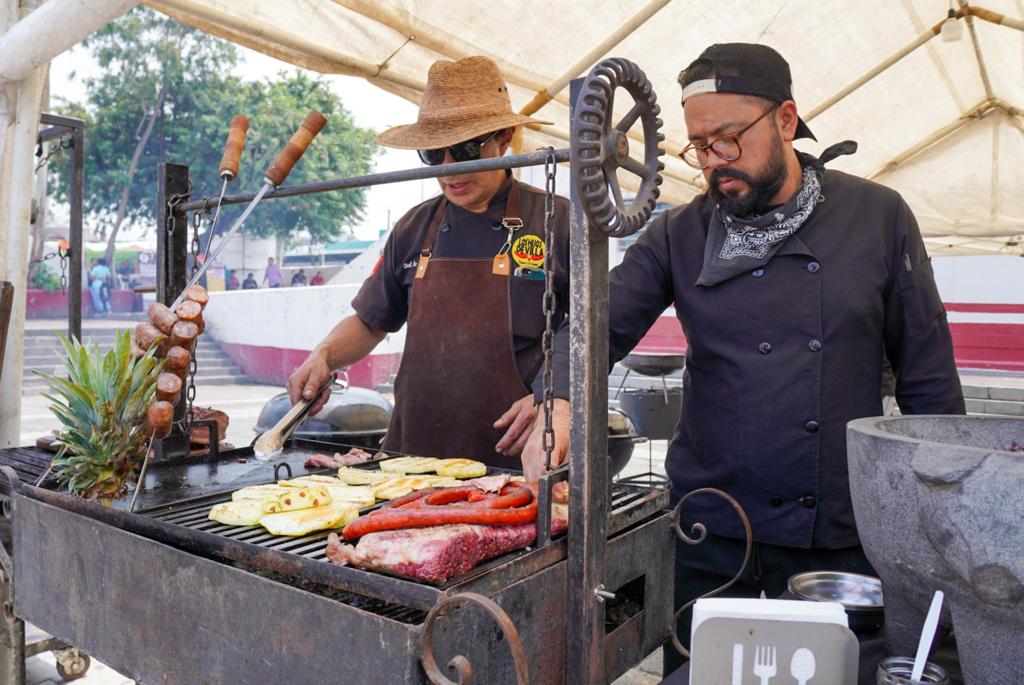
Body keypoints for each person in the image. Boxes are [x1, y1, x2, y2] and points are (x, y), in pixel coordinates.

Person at [520, 43, 965, 674]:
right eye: (700, 146)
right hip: (710, 530)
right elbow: (602, 321)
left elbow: (928, 379)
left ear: (785, 120)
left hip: (838, 535)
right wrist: (560, 396)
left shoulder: (877, 217)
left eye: (729, 138)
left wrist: (940, 513)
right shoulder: (680, 232)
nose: (714, 161)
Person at [287, 56, 569, 469]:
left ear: (504, 138)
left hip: (513, 463)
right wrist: (323, 355)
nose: (449, 168)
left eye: (466, 149)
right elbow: (370, 322)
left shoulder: (556, 221)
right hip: (411, 461)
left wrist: (554, 395)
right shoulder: (414, 227)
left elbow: (593, 334)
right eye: (434, 153)